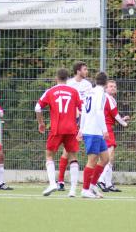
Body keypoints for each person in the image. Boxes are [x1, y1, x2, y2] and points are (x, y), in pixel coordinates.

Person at [35, 68, 82, 197]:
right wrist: (80, 127)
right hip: (71, 129)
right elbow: (82, 110)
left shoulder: (50, 91)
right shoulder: (74, 91)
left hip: (56, 128)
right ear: (67, 79)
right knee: (73, 158)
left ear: (56, 78)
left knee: (49, 155)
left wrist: (41, 123)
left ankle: (52, 183)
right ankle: (72, 190)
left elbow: (37, 107)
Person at [57, 61, 94, 191]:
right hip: (73, 121)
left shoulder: (88, 85)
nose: (87, 71)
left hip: (87, 121)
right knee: (68, 151)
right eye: (85, 69)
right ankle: (60, 181)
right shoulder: (69, 84)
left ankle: (96, 182)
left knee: (95, 151)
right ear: (78, 71)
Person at [78, 71, 110, 199]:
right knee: (92, 160)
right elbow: (98, 111)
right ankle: (85, 190)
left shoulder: (90, 92)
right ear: (106, 83)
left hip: (92, 130)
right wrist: (104, 129)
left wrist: (81, 128)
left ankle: (92, 185)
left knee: (105, 158)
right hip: (93, 131)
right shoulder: (101, 93)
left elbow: (84, 111)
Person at [97, 79, 130, 192]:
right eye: (110, 86)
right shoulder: (108, 98)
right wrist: (124, 123)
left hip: (105, 128)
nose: (113, 88)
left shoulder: (109, 99)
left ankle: (108, 184)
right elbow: (115, 115)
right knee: (108, 156)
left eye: (114, 86)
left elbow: (112, 115)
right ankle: (100, 179)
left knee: (109, 157)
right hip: (106, 129)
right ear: (106, 88)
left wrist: (121, 119)